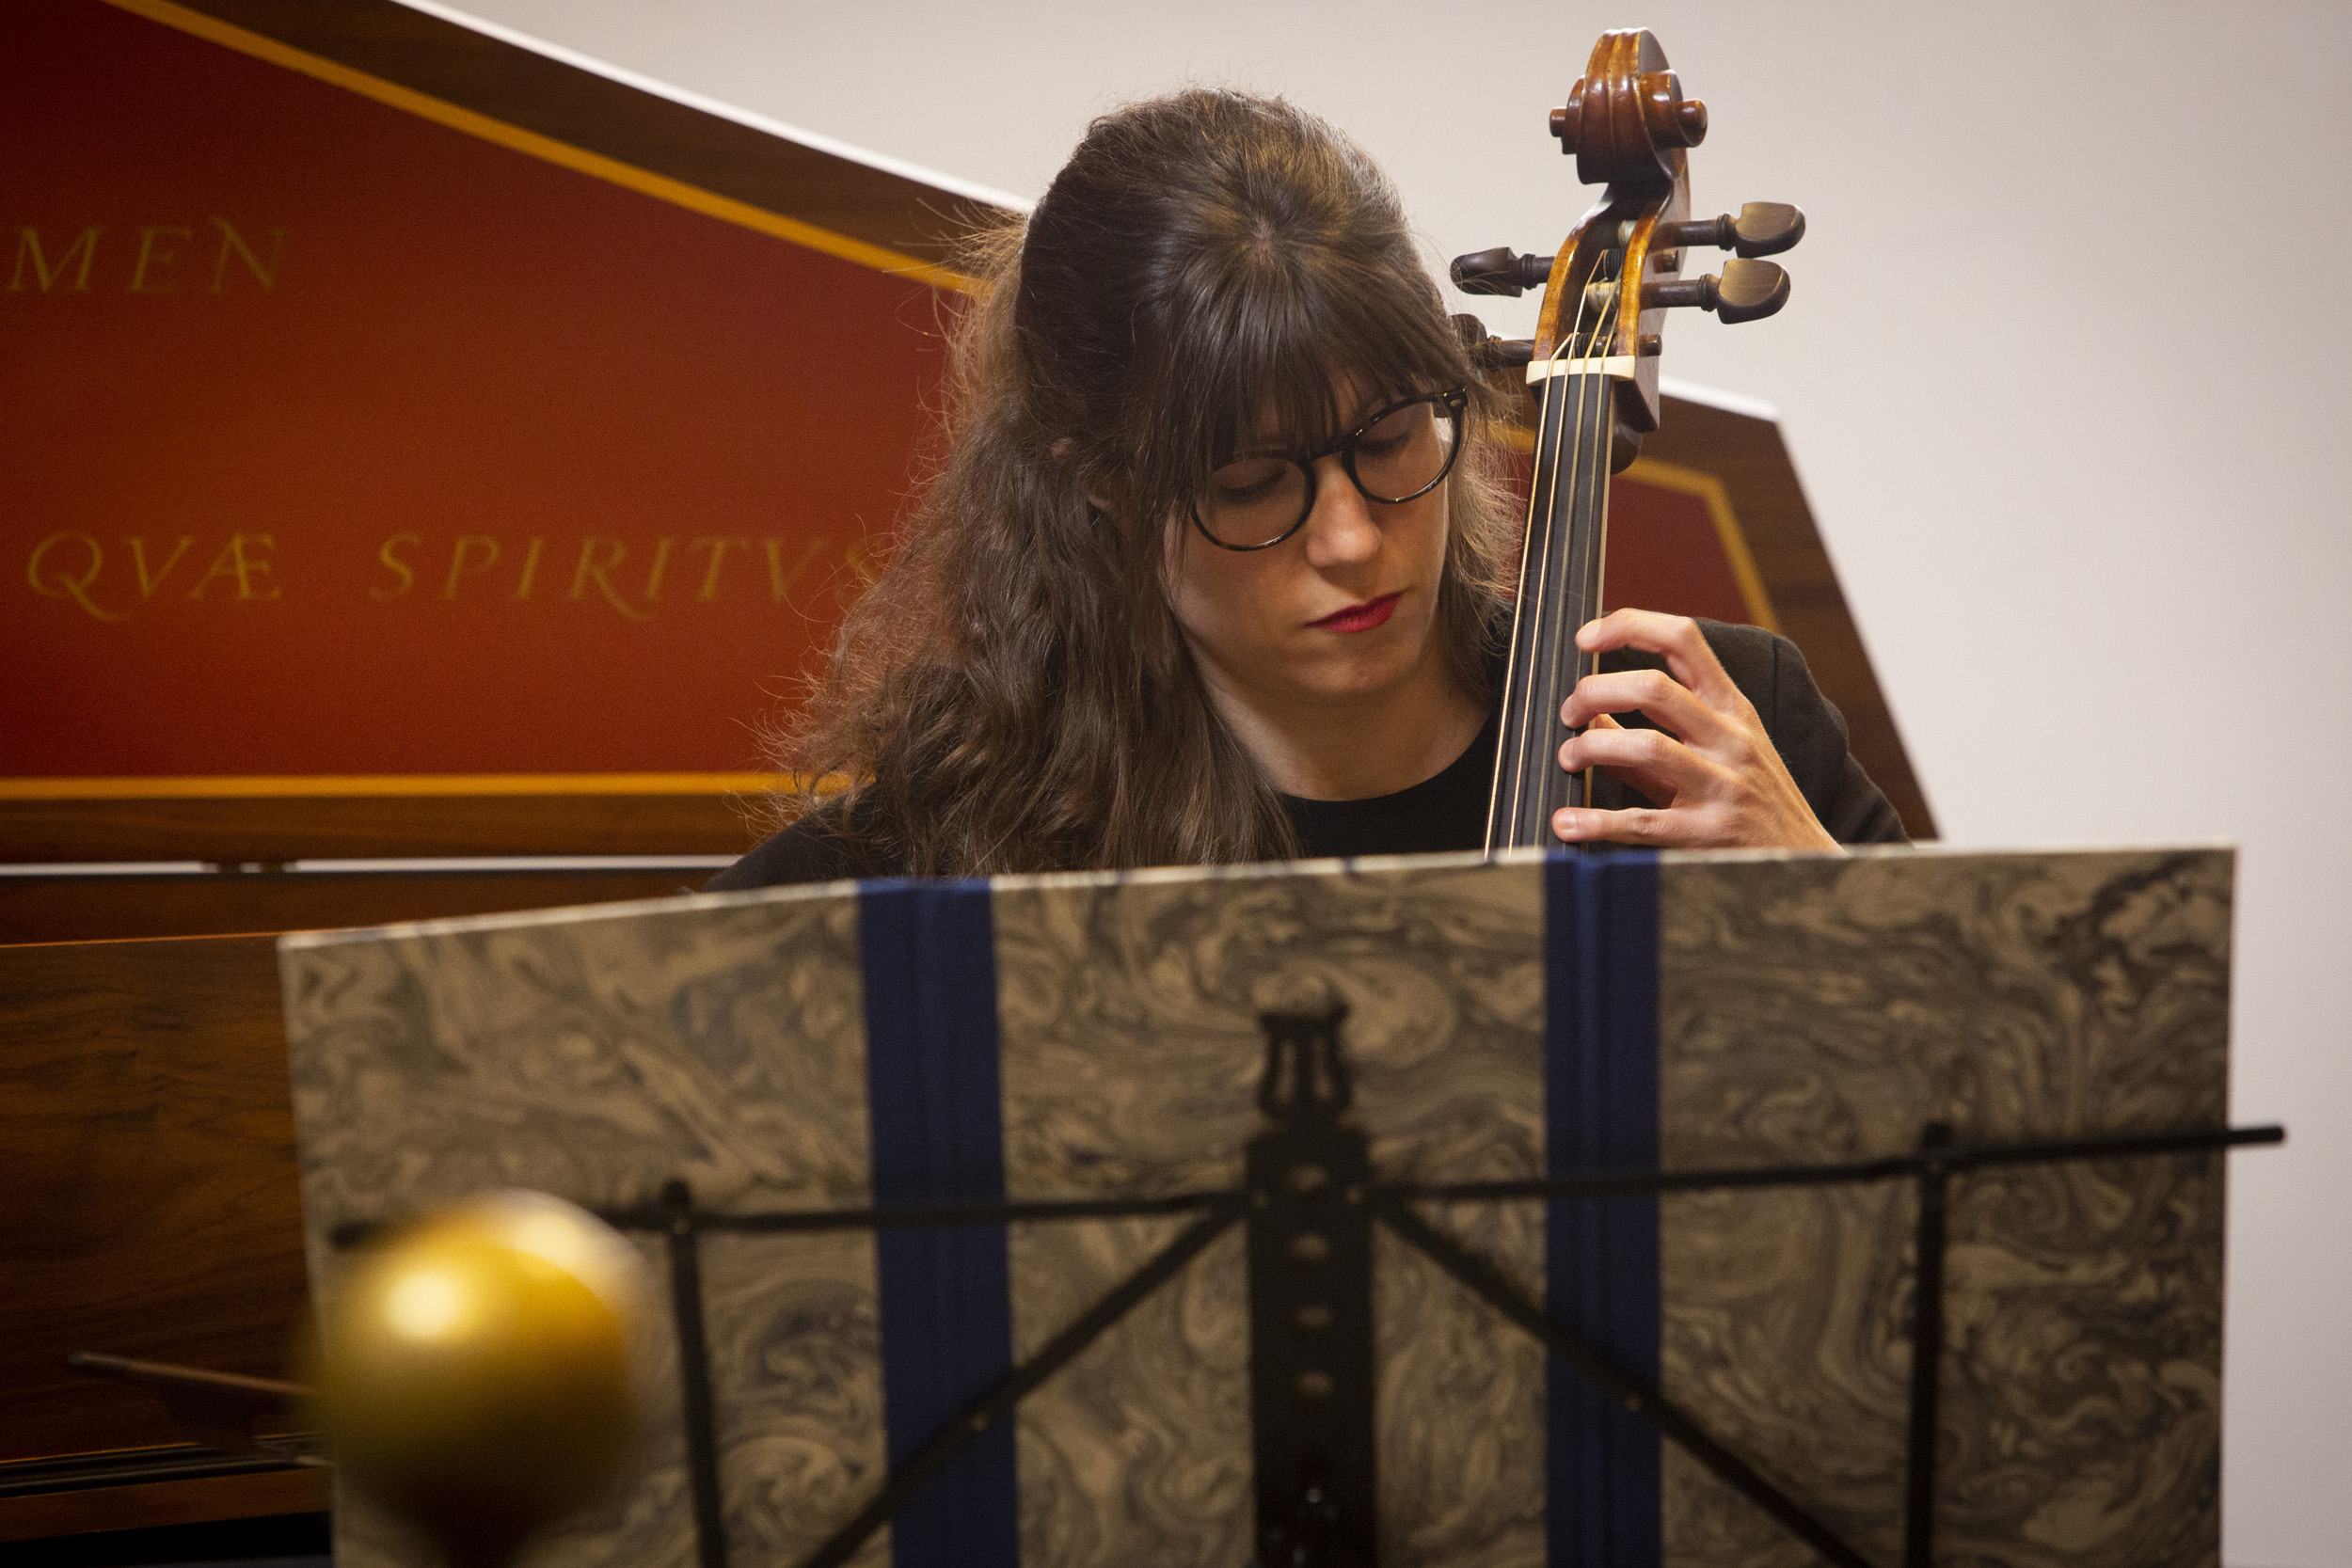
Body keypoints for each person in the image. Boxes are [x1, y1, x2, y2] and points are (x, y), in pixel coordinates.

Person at [707, 89, 1901, 893]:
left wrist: (1835, 904)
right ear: (1105, 489)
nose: (1349, 538)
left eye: (1386, 439)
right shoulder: (944, 857)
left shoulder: (1719, 737)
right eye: (1248, 482)